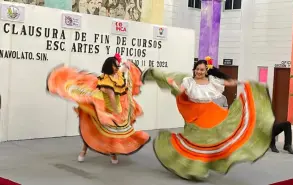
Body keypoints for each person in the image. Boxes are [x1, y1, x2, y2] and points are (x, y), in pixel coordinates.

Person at [142, 56, 275, 180]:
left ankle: (209, 163)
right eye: (198, 69)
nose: (200, 72)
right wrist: (173, 85)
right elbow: (181, 90)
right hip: (196, 116)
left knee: (219, 135)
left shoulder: (212, 81)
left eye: (202, 70)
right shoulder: (188, 81)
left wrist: (241, 83)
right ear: (194, 70)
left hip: (211, 113)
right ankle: (195, 168)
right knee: (197, 142)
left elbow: (227, 83)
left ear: (206, 71)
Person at [46, 54, 150, 164]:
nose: (117, 67)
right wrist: (117, 112)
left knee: (113, 134)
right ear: (110, 67)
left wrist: (127, 65)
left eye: (118, 65)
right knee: (92, 128)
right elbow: (111, 98)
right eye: (116, 65)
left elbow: (123, 71)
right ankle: (84, 151)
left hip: (111, 108)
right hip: (102, 108)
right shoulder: (106, 81)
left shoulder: (116, 75)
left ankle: (112, 154)